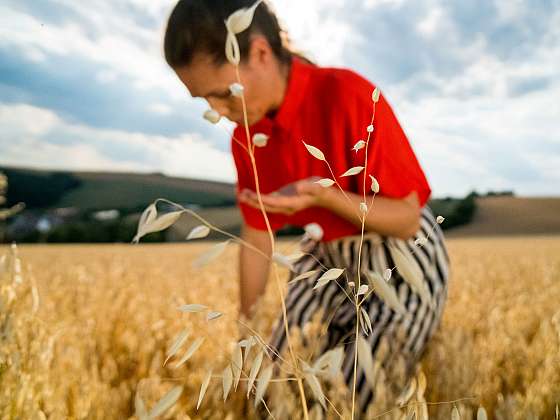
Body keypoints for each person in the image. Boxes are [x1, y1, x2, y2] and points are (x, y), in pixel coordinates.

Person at [164, 0, 450, 416]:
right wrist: (249, 329)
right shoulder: (247, 137)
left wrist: (325, 195)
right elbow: (258, 234)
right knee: (271, 380)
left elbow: (407, 220)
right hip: (326, 257)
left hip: (402, 259)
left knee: (355, 394)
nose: (222, 113)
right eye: (206, 101)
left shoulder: (348, 93)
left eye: (225, 94)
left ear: (261, 53)